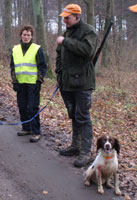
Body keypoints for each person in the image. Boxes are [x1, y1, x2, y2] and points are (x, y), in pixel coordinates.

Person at [56, 4, 97, 167]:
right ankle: (75, 146)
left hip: (83, 83)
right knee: (73, 114)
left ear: (77, 17)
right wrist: (58, 71)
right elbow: (59, 54)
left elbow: (87, 50)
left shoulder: (88, 31)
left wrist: (65, 41)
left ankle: (86, 152)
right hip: (67, 83)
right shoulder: (68, 32)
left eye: (67, 17)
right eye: (64, 17)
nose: (65, 20)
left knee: (83, 116)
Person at [10, 25, 47, 143]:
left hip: (33, 84)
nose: (26, 37)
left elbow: (42, 66)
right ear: (21, 35)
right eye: (24, 35)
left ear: (31, 37)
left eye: (28, 35)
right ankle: (26, 128)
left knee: (32, 107)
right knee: (22, 107)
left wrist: (39, 81)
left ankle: (36, 131)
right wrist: (14, 81)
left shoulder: (37, 49)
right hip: (20, 83)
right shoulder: (15, 49)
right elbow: (13, 67)